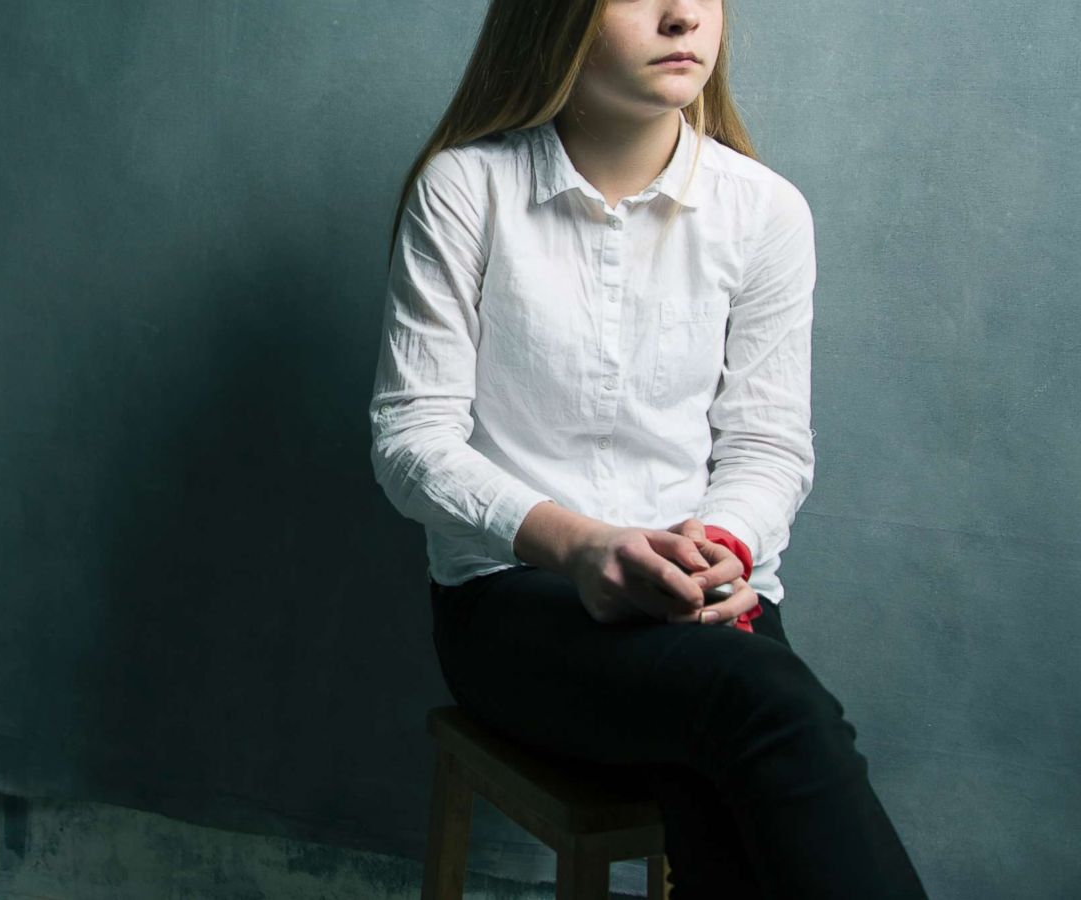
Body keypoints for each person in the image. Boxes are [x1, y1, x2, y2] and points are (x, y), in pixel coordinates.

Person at [367, 1, 930, 897]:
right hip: (516, 603)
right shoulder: (465, 188)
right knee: (763, 704)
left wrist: (722, 548)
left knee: (716, 774)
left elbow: (768, 442)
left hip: (704, 599)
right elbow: (411, 442)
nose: (682, 17)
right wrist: (586, 547)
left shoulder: (766, 210)